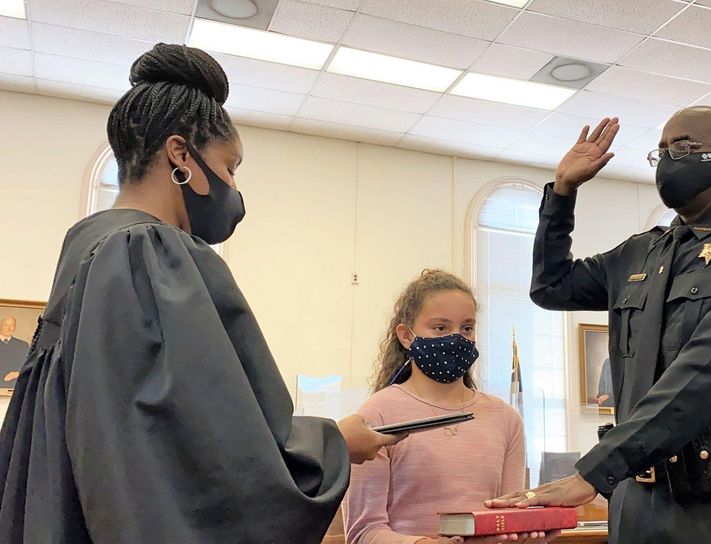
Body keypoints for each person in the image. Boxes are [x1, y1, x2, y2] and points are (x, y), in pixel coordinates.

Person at [0, 43, 400, 544]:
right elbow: (199, 450)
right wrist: (334, 444)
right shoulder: (151, 250)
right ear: (181, 155)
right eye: (231, 167)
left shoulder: (86, 245)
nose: (234, 188)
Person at [487, 109, 711, 544]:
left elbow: (710, 371)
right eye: (660, 151)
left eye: (682, 148)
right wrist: (563, 193)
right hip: (637, 499)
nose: (667, 161)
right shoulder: (640, 254)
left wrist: (597, 468)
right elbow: (551, 287)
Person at [344, 269, 556, 544]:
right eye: (441, 328)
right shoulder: (376, 415)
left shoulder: (506, 419)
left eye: (466, 328)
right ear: (406, 336)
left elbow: (507, 520)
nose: (457, 339)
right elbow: (363, 532)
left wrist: (529, 535)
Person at [0, 317, 29, 385]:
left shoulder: (23, 345)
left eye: (12, 326)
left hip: (15, 384)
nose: (9, 328)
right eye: (5, 325)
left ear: (15, 327)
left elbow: (28, 365)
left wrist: (17, 373)